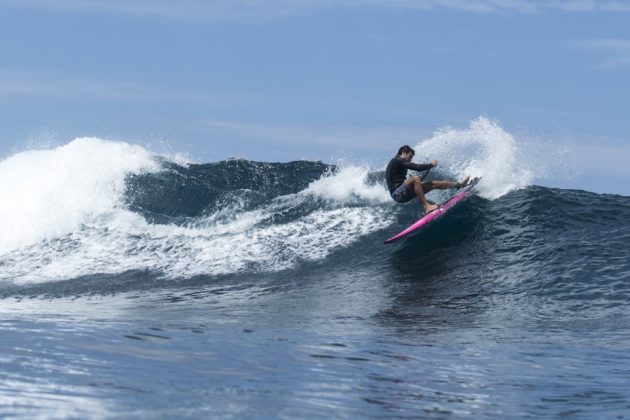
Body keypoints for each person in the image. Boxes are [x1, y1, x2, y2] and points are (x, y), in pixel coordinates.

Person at [386, 145, 470, 214]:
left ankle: (460, 185)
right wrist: (430, 164)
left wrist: (417, 185)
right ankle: (427, 206)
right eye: (410, 156)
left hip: (404, 192)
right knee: (415, 178)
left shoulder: (399, 163)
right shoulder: (397, 160)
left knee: (433, 184)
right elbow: (417, 167)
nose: (410, 159)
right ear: (403, 153)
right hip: (397, 194)